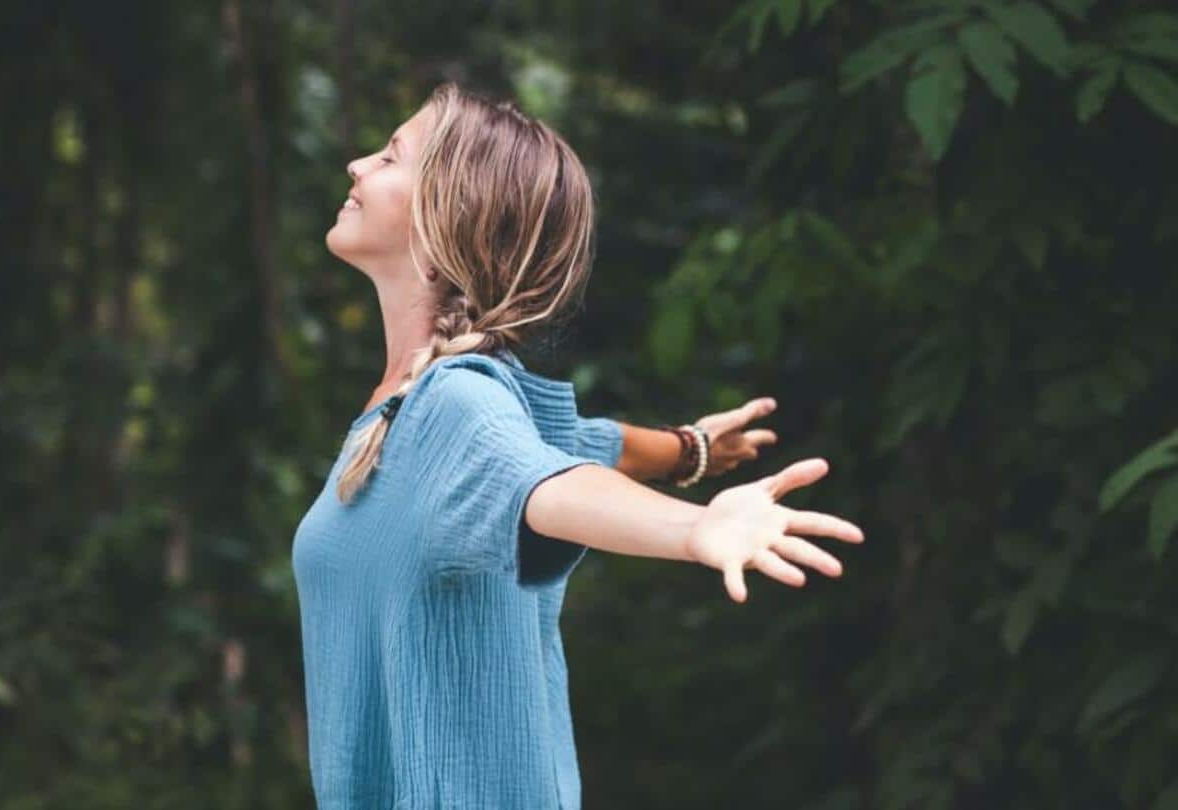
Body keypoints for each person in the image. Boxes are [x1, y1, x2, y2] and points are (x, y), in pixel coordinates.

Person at [291, 81, 865, 810]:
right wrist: (685, 450)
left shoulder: (457, 405)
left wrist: (695, 528)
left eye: (391, 155)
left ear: (448, 215)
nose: (356, 165)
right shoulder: (411, 409)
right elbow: (575, 446)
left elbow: (549, 484)